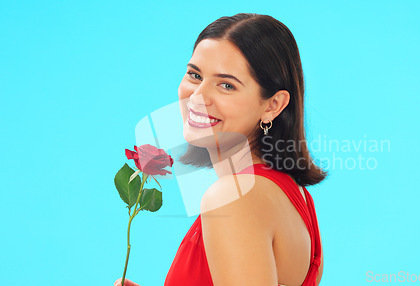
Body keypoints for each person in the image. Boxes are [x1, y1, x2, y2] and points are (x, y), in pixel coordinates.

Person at [115, 12, 327, 286]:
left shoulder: (233, 197)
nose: (198, 97)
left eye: (226, 85)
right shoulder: (295, 194)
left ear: (272, 105)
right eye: (195, 75)